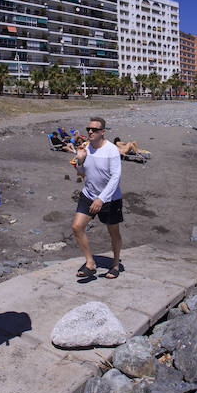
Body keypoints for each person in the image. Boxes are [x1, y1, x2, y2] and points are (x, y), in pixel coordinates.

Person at [72, 116, 123, 279]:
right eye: (88, 129)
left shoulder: (111, 150)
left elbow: (116, 177)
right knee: (77, 227)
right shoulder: (85, 147)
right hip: (88, 194)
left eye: (94, 130)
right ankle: (90, 263)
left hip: (110, 199)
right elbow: (81, 173)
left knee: (113, 231)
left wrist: (101, 199)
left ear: (103, 132)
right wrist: (80, 160)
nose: (90, 132)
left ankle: (115, 264)